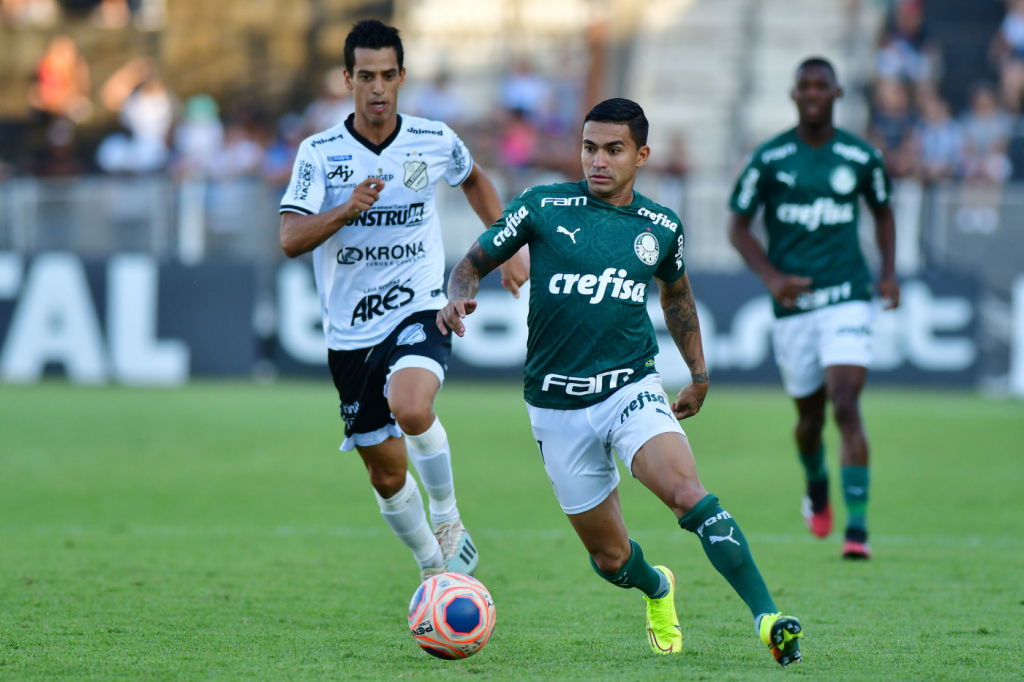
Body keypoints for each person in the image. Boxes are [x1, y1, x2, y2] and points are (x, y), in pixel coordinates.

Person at [438, 98, 803, 667]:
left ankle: (768, 619)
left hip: (630, 389)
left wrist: (699, 373)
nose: (598, 161)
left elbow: (676, 294)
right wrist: (459, 291)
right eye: (589, 148)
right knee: (611, 560)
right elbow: (473, 261)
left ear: (641, 155)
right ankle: (657, 586)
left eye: (613, 150)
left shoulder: (660, 226)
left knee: (688, 494)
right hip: (555, 407)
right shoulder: (542, 205)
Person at [279, 20, 527, 582]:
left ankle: (449, 521)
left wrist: (508, 246)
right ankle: (431, 570)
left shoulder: (433, 139)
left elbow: (475, 179)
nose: (378, 88)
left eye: (388, 76)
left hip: (419, 306)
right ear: (347, 79)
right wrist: (345, 210)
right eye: (365, 76)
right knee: (387, 476)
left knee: (412, 406)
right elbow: (291, 238)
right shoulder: (319, 154)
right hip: (351, 335)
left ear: (402, 77)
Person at [727, 58, 899, 560]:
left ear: (838, 92)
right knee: (808, 417)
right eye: (805, 85)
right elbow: (737, 226)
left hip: (847, 293)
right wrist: (773, 278)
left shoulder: (860, 156)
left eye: (822, 85)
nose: (814, 93)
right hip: (795, 306)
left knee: (845, 401)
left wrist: (888, 272)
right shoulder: (771, 157)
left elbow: (884, 212)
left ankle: (858, 531)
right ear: (794, 94)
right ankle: (816, 482)